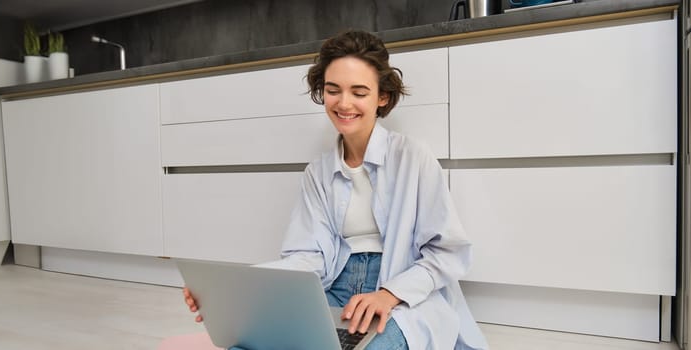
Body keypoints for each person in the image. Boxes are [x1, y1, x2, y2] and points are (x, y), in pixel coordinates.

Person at [183, 29, 489, 350]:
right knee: (248, 344)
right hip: (333, 286)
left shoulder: (413, 157)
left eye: (359, 92)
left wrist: (389, 294)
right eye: (333, 90)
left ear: (382, 97)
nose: (344, 103)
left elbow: (446, 252)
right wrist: (237, 289)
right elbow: (307, 258)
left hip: (401, 294)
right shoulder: (318, 172)